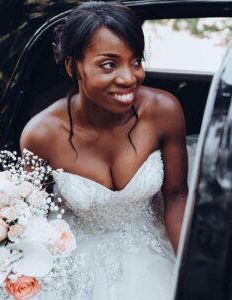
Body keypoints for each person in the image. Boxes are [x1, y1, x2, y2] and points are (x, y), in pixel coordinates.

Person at [20, 1, 188, 299]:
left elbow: (176, 196)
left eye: (135, 61)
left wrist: (189, 274)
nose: (129, 77)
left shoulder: (164, 111)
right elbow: (33, 219)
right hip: (75, 267)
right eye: (109, 64)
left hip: (152, 254)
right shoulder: (41, 134)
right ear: (74, 67)